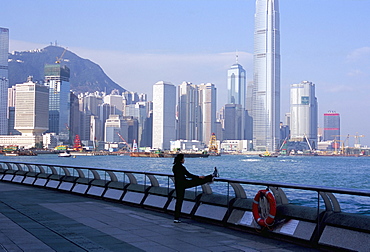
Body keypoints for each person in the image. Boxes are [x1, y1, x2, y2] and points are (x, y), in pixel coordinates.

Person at [172, 154, 219, 223]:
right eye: (183, 159)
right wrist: (198, 177)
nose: (184, 160)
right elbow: (189, 175)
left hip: (178, 185)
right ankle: (211, 176)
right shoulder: (181, 167)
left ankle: (176, 218)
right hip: (184, 183)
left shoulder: (174, 167)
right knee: (198, 181)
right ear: (181, 160)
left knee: (179, 201)